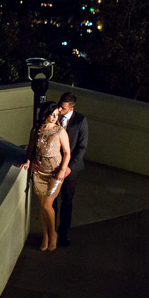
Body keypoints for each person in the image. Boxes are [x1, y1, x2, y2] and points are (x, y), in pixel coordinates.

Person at [21, 101, 71, 251]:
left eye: (57, 114)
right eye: (52, 114)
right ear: (45, 114)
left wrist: (62, 170)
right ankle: (46, 236)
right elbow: (30, 147)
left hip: (55, 173)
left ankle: (53, 234)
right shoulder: (36, 129)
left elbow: (67, 152)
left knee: (46, 204)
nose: (55, 117)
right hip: (39, 171)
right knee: (42, 206)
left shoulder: (60, 131)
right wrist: (28, 161)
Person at [54, 91, 88, 247]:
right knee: (52, 200)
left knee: (66, 200)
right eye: (59, 106)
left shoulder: (80, 121)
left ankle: (63, 234)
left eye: (62, 108)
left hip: (70, 169)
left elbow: (82, 147)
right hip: (54, 166)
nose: (59, 110)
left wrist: (69, 167)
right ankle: (51, 232)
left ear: (71, 109)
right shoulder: (54, 117)